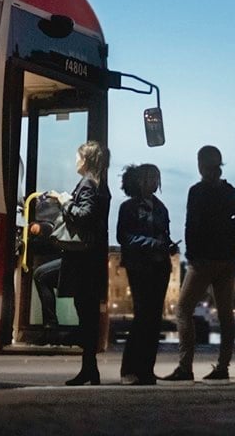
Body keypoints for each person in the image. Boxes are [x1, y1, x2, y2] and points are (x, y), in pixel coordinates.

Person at [163, 145, 235, 382]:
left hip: (203, 260)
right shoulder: (230, 191)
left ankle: (185, 366)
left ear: (200, 164)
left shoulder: (197, 191)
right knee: (225, 314)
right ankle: (222, 367)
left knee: (183, 310)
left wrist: (191, 255)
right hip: (228, 259)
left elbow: (192, 225)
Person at [55, 140, 111, 385]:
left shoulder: (87, 183)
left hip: (83, 260)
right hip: (93, 258)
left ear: (86, 160)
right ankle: (90, 369)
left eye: (78, 157)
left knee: (84, 311)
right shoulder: (101, 186)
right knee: (88, 314)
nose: (75, 161)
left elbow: (85, 214)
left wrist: (64, 200)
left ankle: (57, 331)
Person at [116, 164, 173, 386]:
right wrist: (153, 243)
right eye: (149, 177)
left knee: (154, 319)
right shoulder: (128, 207)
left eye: (156, 178)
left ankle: (147, 369)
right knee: (142, 317)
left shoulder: (161, 208)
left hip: (160, 266)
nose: (153, 182)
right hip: (139, 266)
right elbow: (124, 236)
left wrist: (168, 246)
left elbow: (164, 235)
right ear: (139, 181)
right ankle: (129, 369)